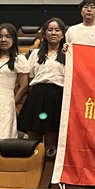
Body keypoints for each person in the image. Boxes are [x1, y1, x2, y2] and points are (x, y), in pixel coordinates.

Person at [17, 18, 66, 148]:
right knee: (33, 138)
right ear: (44, 34)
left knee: (52, 139)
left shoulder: (68, 55)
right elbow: (29, 77)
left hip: (58, 96)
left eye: (57, 30)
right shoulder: (35, 54)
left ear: (63, 34)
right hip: (37, 96)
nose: (53, 33)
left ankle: (49, 161)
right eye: (50, 30)